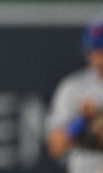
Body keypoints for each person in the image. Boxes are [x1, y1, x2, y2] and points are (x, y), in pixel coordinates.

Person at [46, 16, 103, 172]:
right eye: (94, 48)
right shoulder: (74, 87)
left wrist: (98, 118)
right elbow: (56, 145)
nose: (97, 54)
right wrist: (81, 120)